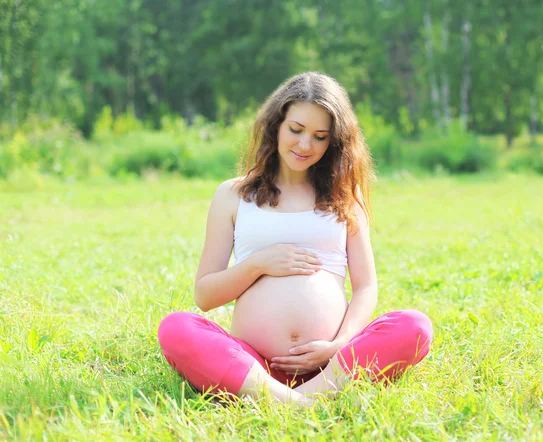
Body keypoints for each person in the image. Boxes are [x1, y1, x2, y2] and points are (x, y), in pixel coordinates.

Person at [157, 72, 433, 406]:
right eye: (296, 130)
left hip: (333, 365)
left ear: (334, 141)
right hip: (252, 363)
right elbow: (205, 294)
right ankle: (302, 403)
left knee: (415, 326)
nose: (305, 145)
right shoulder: (233, 195)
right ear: (276, 124)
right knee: (176, 329)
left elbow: (365, 287)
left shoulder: (344, 194)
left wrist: (339, 344)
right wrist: (259, 264)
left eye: (320, 137)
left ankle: (287, 399)